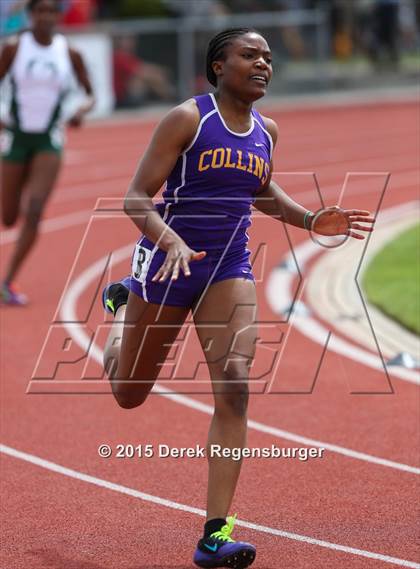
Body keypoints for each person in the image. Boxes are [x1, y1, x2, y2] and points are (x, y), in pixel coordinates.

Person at [101, 28, 375, 569]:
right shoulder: (188, 119)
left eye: (268, 57)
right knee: (128, 393)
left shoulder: (266, 130)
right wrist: (170, 239)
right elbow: (136, 197)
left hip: (229, 265)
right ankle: (123, 307)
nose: (263, 64)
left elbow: (261, 191)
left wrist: (311, 219)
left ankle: (214, 534)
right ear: (218, 65)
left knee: (235, 386)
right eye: (250, 55)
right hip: (168, 263)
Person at [0, 0, 95, 305]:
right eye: (39, 10)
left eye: (51, 11)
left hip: (48, 140)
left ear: (58, 15)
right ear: (31, 15)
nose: (45, 16)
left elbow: (90, 94)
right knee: (9, 216)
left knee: (37, 208)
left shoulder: (69, 52)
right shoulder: (15, 48)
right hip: (15, 137)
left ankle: (7, 280)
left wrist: (81, 110)